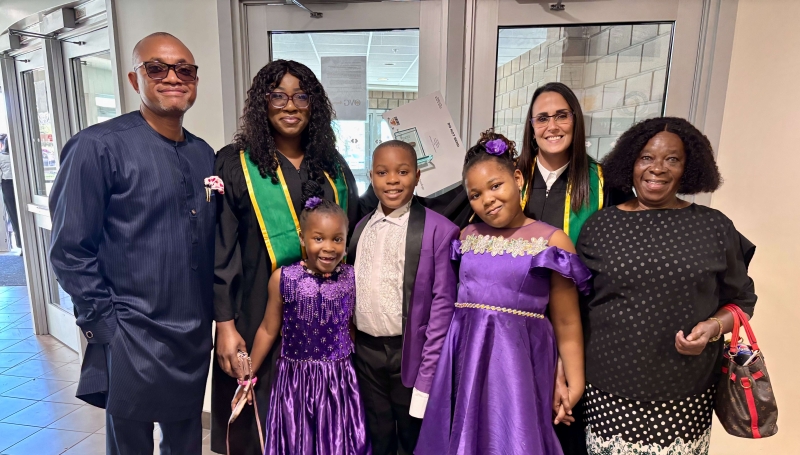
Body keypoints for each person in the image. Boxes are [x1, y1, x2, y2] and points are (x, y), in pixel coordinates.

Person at [49, 32, 214, 454]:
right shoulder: (97, 147)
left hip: (192, 336)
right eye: (156, 68)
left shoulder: (204, 155)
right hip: (131, 331)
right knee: (130, 445)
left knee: (186, 442)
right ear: (133, 78)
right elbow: (70, 249)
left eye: (184, 69)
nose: (173, 77)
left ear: (195, 79)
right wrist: (105, 326)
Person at [576, 117, 757, 455]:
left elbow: (742, 300)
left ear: (688, 168)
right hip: (608, 391)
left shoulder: (714, 227)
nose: (657, 168)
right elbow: (576, 306)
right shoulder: (600, 227)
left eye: (672, 159)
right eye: (646, 157)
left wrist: (714, 327)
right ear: (630, 162)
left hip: (685, 394)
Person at [212, 59, 361, 454]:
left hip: (321, 329)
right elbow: (223, 247)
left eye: (301, 96)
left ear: (314, 104)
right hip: (258, 311)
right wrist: (225, 324)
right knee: (262, 425)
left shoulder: (333, 167)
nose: (290, 105)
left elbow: (357, 234)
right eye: (278, 95)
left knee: (319, 429)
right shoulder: (236, 163)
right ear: (263, 102)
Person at [417, 131, 589, 454]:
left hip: (519, 369)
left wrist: (573, 384)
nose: (488, 200)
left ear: (518, 178)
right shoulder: (467, 235)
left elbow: (567, 324)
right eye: (475, 194)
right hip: (467, 364)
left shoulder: (552, 241)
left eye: (496, 186)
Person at [348, 141, 459, 455]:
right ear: (371, 176)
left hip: (410, 354)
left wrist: (429, 371)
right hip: (366, 352)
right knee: (377, 432)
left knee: (414, 436)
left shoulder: (440, 230)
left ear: (417, 175)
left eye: (402, 171)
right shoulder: (359, 229)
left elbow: (442, 307)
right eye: (383, 172)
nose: (392, 180)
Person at [247, 182, 370, 454]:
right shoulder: (284, 279)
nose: (328, 247)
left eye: (337, 239)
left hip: (339, 381)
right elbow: (268, 330)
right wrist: (248, 375)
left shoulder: (350, 277)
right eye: (318, 238)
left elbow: (350, 327)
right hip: (295, 382)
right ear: (303, 238)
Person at [0, 133, 21, 251]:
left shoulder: (1, 156)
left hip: (7, 185)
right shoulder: (19, 156)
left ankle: (20, 244)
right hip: (20, 185)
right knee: (22, 215)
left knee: (14, 216)